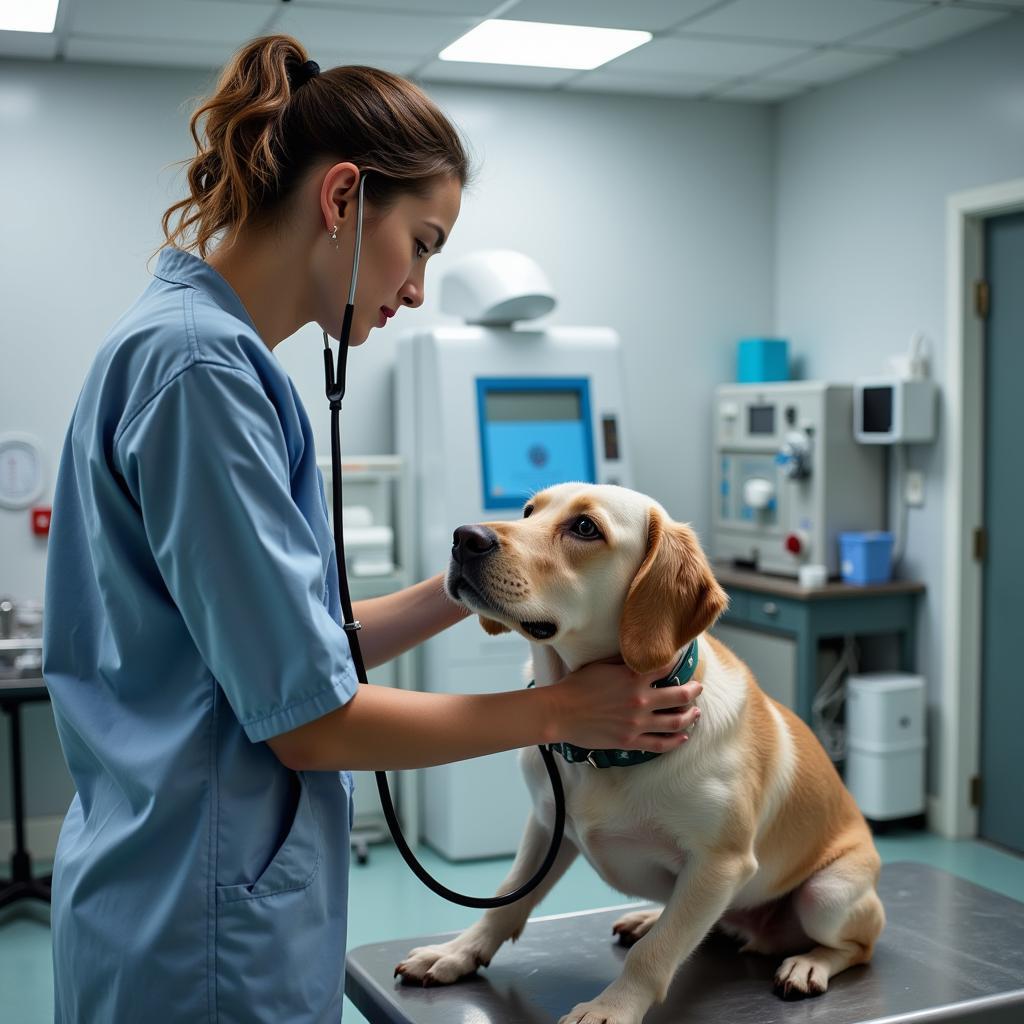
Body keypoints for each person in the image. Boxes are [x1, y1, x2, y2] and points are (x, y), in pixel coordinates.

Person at [41, 35, 702, 1023]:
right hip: (200, 929)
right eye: (424, 244)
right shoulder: (202, 376)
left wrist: (471, 584)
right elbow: (311, 723)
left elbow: (286, 651)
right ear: (343, 199)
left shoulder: (196, 350)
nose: (417, 288)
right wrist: (563, 715)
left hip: (184, 888)